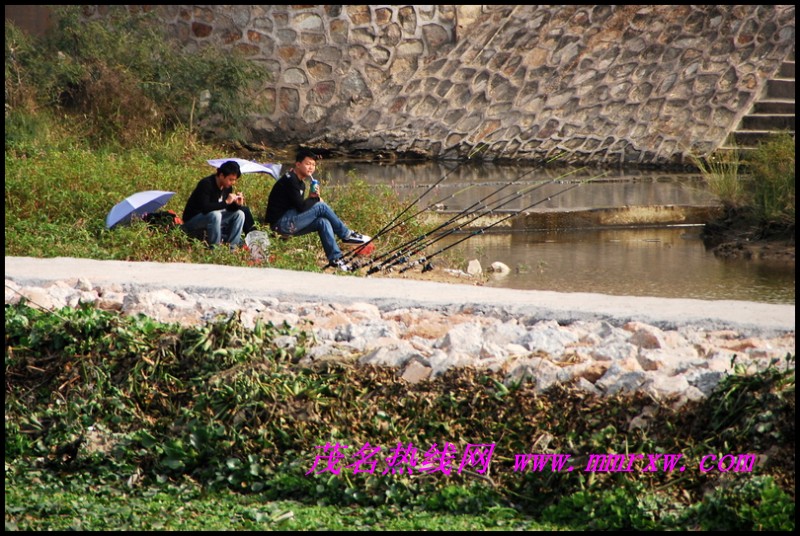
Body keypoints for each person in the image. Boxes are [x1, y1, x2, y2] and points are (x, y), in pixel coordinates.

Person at [265, 148, 370, 270]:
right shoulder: (290, 180)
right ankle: (346, 235)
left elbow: (299, 207)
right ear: (298, 164)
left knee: (322, 222)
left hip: (289, 221)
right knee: (321, 206)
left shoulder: (300, 183)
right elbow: (301, 207)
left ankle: (336, 260)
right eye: (308, 164)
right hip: (280, 225)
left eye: (313, 165)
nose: (311, 167)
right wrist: (315, 200)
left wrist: (312, 197)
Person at [182, 160, 246, 249]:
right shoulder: (206, 184)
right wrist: (226, 202)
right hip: (193, 220)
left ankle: (232, 248)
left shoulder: (227, 187)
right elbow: (205, 208)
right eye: (230, 179)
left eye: (234, 180)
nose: (233, 182)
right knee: (215, 215)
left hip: (214, 218)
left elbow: (226, 208)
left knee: (240, 214)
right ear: (221, 175)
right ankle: (215, 249)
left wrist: (237, 205)